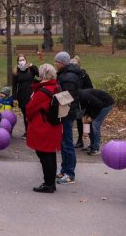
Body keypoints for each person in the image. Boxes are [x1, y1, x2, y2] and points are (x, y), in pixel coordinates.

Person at [26, 64, 62, 193]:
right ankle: (51, 182)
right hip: (54, 125)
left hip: (43, 127)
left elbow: (30, 109)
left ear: (42, 75)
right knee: (50, 154)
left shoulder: (42, 91)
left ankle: (48, 184)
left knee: (43, 155)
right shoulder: (56, 87)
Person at [54, 51, 82, 185]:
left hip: (66, 113)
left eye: (57, 62)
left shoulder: (69, 77)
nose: (55, 64)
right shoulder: (65, 74)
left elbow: (68, 97)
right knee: (63, 143)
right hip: (64, 113)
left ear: (62, 63)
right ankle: (64, 170)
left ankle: (70, 173)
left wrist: (54, 97)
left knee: (67, 144)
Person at [79, 89, 114, 155]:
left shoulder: (85, 96)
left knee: (95, 124)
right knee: (89, 122)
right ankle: (92, 145)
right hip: (96, 105)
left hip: (106, 104)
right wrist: (87, 115)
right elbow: (89, 106)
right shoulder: (80, 97)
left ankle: (95, 148)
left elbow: (98, 105)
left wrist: (92, 116)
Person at [12, 54, 39, 139]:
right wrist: (14, 98)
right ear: (17, 62)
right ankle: (27, 131)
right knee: (25, 114)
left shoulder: (30, 69)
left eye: (23, 59)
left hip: (31, 94)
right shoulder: (16, 72)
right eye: (20, 60)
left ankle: (34, 131)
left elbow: (38, 74)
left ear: (26, 60)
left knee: (33, 113)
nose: (22, 61)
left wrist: (32, 66)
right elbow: (14, 86)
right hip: (22, 95)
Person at [69, 56, 94, 149]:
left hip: (85, 100)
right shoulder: (70, 75)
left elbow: (90, 87)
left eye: (75, 64)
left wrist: (83, 93)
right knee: (78, 120)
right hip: (76, 101)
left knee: (87, 121)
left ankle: (91, 141)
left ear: (79, 65)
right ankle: (80, 140)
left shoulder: (84, 75)